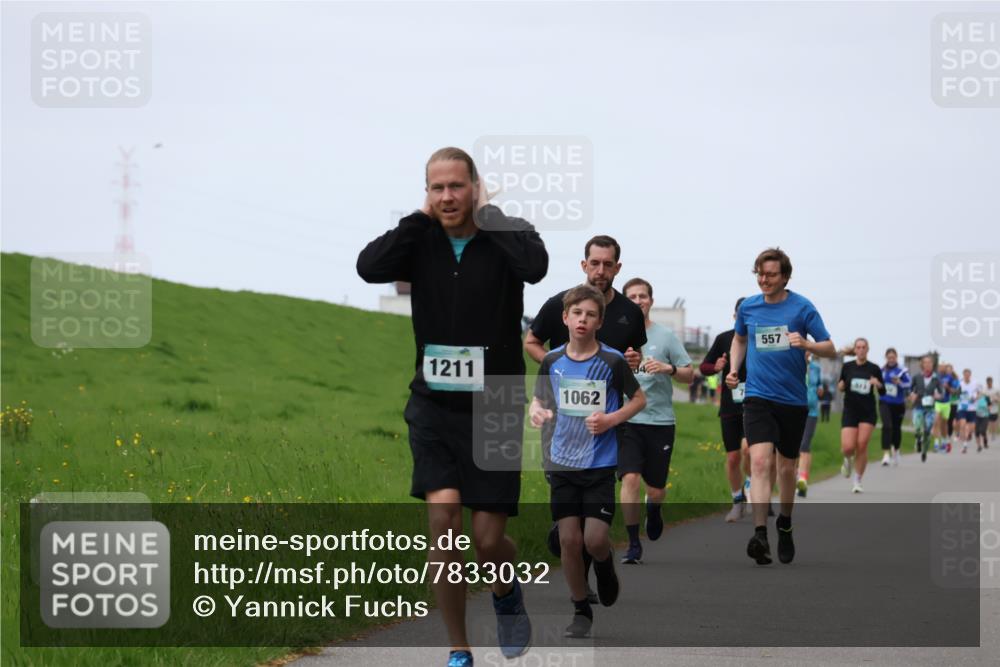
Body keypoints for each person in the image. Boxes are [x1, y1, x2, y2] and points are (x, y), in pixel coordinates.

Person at [357, 147, 548, 667]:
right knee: (443, 522)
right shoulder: (420, 240)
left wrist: (490, 217)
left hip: (496, 403)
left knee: (488, 542)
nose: (446, 197)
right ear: (426, 192)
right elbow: (368, 267)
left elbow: (535, 267)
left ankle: (506, 592)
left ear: (475, 186)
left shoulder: (509, 234)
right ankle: (458, 648)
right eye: (436, 187)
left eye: (456, 186)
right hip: (434, 403)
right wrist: (418, 219)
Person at [524, 235, 645, 600]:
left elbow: (632, 360)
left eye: (608, 264)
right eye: (595, 263)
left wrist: (631, 363)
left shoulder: (628, 314)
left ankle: (599, 556)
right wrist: (560, 379)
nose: (601, 270)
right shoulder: (561, 305)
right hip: (564, 437)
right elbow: (533, 344)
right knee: (570, 536)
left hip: (607, 430)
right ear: (584, 264)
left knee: (593, 535)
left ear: (617, 268)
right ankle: (580, 598)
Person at [726, 247, 835, 566]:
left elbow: (830, 347)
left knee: (786, 468)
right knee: (759, 463)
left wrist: (807, 344)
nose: (764, 279)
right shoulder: (749, 306)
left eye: (771, 274)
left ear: (785, 276)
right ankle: (760, 533)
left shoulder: (802, 307)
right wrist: (734, 369)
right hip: (758, 396)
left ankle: (784, 523)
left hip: (792, 400)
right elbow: (740, 339)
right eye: (759, 273)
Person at [618, 278, 693, 563]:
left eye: (643, 296)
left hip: (660, 421)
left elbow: (690, 373)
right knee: (630, 477)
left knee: (656, 489)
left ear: (651, 300)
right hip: (626, 420)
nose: (638, 301)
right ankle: (633, 542)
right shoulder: (614, 335)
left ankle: (655, 508)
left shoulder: (665, 337)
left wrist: (668, 368)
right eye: (632, 297)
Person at [701, 297, 753, 522]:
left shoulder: (760, 340)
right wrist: (716, 367)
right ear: (735, 317)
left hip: (756, 406)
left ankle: (752, 486)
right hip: (730, 407)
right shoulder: (724, 339)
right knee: (733, 458)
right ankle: (737, 500)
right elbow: (704, 367)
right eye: (741, 314)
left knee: (749, 451)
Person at [838, 338, 885, 493]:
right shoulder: (847, 367)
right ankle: (847, 459)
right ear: (855, 350)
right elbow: (842, 385)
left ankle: (857, 480)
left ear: (867, 349)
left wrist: (877, 384)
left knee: (862, 444)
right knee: (848, 447)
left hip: (868, 412)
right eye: (858, 347)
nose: (861, 350)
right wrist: (841, 386)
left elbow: (883, 391)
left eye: (864, 347)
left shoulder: (874, 368)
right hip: (850, 410)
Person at [796, 350, 823, 497]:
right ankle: (796, 477)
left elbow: (820, 385)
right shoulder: (793, 364)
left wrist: (820, 390)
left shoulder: (816, 368)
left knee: (805, 445)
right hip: (793, 410)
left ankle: (803, 480)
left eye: (807, 350)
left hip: (811, 412)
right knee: (793, 447)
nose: (805, 353)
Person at [879, 348, 912, 466]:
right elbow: (877, 383)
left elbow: (909, 383)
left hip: (898, 403)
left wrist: (900, 383)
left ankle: (896, 450)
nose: (891, 360)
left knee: (896, 428)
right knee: (887, 426)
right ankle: (886, 454)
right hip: (884, 402)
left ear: (896, 358)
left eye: (893, 357)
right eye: (889, 357)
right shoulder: (881, 370)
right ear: (886, 358)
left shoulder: (902, 371)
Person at [907, 355, 941, 463]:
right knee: (917, 427)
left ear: (932, 365)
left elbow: (941, 393)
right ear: (922, 365)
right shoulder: (917, 377)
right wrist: (912, 395)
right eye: (925, 363)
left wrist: (938, 395)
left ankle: (924, 451)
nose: (927, 365)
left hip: (930, 408)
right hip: (918, 406)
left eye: (929, 363)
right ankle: (918, 439)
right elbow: (909, 390)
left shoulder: (936, 379)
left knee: (927, 430)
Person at [955, 368, 981, 454]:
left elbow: (980, 393)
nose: (966, 376)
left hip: (972, 409)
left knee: (971, 429)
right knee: (963, 424)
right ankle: (964, 446)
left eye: (968, 374)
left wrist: (976, 398)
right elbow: (956, 392)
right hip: (962, 408)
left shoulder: (975, 383)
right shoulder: (960, 383)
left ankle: (968, 435)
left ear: (970, 375)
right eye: (965, 374)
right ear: (963, 375)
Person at [933, 362, 956, 452]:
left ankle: (944, 441)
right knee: (936, 421)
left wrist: (948, 388)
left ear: (945, 368)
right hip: (937, 403)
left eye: (943, 367)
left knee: (944, 424)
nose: (941, 368)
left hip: (946, 403)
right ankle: (936, 443)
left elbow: (954, 391)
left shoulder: (949, 377)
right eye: (940, 367)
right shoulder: (935, 376)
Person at [986, 376, 999, 442]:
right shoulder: (985, 390)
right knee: (987, 422)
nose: (989, 383)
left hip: (995, 409)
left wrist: (996, 399)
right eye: (988, 382)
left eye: (990, 382)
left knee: (994, 423)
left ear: (992, 382)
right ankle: (987, 433)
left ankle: (993, 434)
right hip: (987, 409)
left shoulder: (996, 390)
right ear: (987, 382)